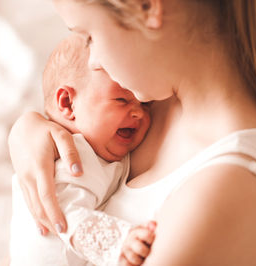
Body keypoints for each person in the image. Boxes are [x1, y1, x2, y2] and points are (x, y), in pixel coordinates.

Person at [8, 0, 256, 265]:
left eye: (89, 37)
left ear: (148, 7)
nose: (93, 61)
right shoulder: (153, 101)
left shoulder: (226, 188)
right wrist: (30, 128)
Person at [10, 34, 154, 266]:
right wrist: (118, 243)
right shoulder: (72, 153)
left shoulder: (101, 150)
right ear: (67, 103)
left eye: (145, 104)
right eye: (121, 100)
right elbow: (62, 212)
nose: (139, 113)